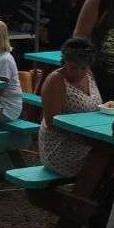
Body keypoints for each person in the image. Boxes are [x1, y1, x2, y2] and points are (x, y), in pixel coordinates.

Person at [38, 37, 102, 179]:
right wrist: (84, 138)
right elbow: (52, 123)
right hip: (62, 144)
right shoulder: (55, 81)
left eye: (83, 68)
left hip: (86, 137)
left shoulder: (89, 75)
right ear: (65, 61)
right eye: (73, 67)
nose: (79, 73)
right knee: (103, 159)